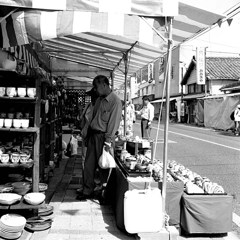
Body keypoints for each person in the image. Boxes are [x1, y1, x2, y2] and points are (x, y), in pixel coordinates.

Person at [77, 75, 122, 201]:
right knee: (88, 165)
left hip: (104, 138)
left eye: (96, 87)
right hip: (93, 135)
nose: (95, 90)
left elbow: (113, 125)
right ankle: (87, 191)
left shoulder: (115, 102)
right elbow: (92, 119)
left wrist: (108, 142)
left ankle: (104, 194)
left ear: (104, 85)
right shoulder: (99, 100)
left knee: (104, 167)